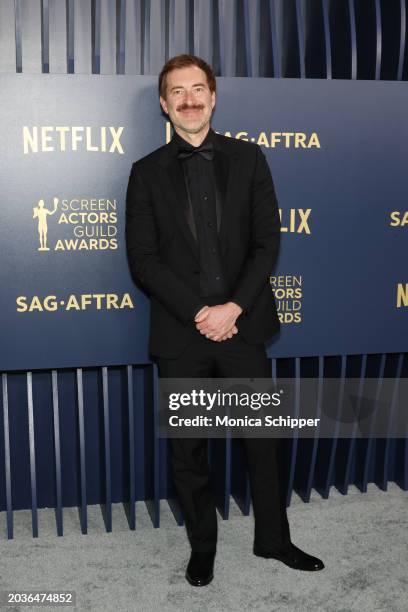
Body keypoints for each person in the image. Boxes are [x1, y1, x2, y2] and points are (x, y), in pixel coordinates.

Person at [125, 54, 324, 587]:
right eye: (177, 92)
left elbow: (267, 243)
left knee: (263, 439)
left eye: (198, 89)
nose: (189, 100)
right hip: (180, 334)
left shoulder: (250, 159)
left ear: (213, 97)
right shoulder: (144, 173)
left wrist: (232, 308)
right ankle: (202, 549)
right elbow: (143, 260)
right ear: (165, 105)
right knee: (189, 451)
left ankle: (273, 539)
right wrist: (199, 313)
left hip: (244, 327)